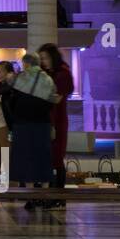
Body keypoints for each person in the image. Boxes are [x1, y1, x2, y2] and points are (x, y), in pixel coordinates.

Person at [9, 53, 57, 208]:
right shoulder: (48, 79)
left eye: (23, 64)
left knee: (26, 160)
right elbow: (52, 102)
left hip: (23, 124)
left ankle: (30, 197)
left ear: (27, 64)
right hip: (42, 123)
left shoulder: (21, 78)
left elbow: (12, 98)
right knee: (43, 158)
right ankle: (44, 196)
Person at [38, 43, 74, 206]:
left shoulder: (62, 74)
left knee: (57, 158)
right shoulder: (47, 74)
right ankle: (48, 195)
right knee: (46, 159)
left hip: (57, 121)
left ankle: (58, 196)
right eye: (41, 59)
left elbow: (57, 97)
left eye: (45, 58)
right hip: (44, 119)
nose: (43, 61)